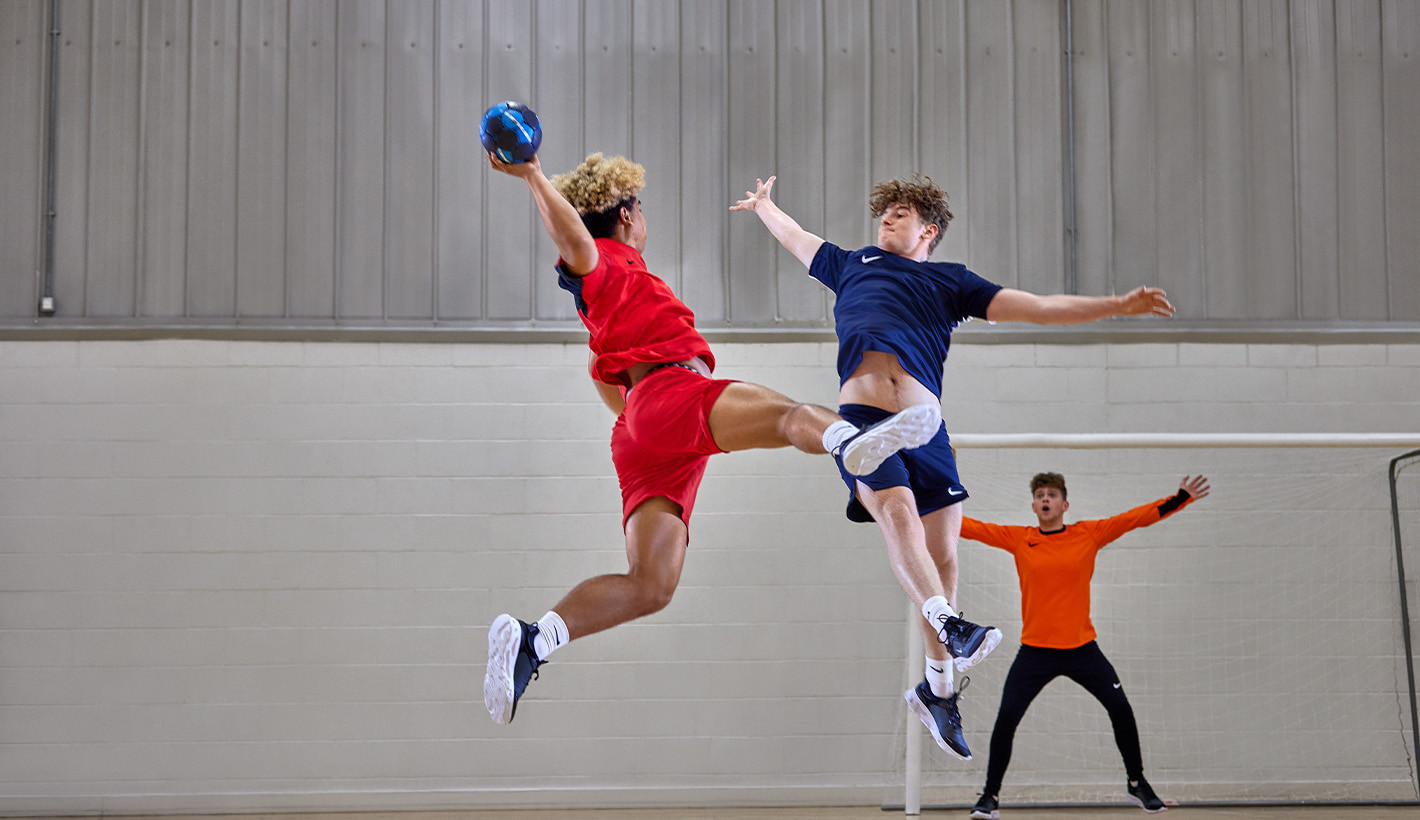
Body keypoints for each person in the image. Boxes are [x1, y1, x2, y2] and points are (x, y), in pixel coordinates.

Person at [481, 150, 944, 726]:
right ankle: (853, 445)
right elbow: (574, 240)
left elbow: (605, 379)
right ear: (626, 214)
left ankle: (535, 640)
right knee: (791, 414)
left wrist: (640, 414)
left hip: (641, 428)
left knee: (651, 584)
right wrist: (531, 175)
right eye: (640, 208)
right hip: (667, 397)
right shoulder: (607, 260)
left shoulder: (611, 301)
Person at [731, 174, 1176, 759]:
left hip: (924, 427)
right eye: (883, 213)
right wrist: (766, 206)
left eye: (899, 213)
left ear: (928, 229)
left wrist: (1116, 305)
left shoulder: (951, 281)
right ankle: (949, 621)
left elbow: (1037, 308)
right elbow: (795, 237)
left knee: (944, 557)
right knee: (897, 514)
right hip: (865, 417)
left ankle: (939, 690)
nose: (886, 220)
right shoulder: (850, 263)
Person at [961, 473, 1211, 818]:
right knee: (1006, 719)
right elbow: (968, 527)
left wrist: (1181, 498)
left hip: (1082, 649)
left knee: (1121, 709)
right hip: (1035, 652)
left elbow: (1133, 519)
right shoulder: (1019, 539)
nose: (1045, 499)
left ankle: (1137, 784)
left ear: (1064, 505)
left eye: (1051, 494)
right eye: (1039, 495)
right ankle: (990, 796)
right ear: (1033, 506)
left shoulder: (1087, 534)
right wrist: (919, 507)